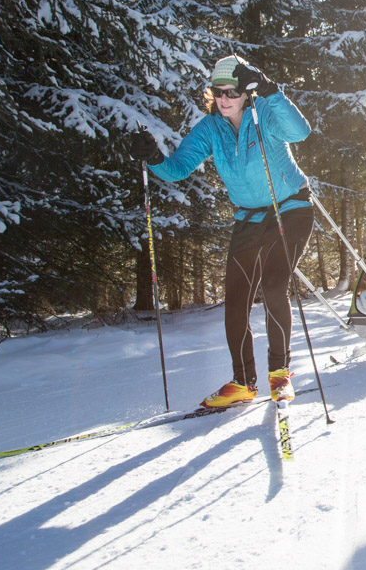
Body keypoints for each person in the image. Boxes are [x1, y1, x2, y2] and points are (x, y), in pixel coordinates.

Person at [130, 55, 314, 408]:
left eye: (232, 90)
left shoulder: (266, 114)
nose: (224, 98)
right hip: (248, 218)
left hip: (289, 208)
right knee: (236, 300)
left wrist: (270, 88)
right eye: (218, 91)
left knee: (274, 284)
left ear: (246, 92)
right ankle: (244, 383)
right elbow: (177, 168)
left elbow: (300, 132)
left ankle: (280, 374)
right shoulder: (210, 128)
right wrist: (153, 157)